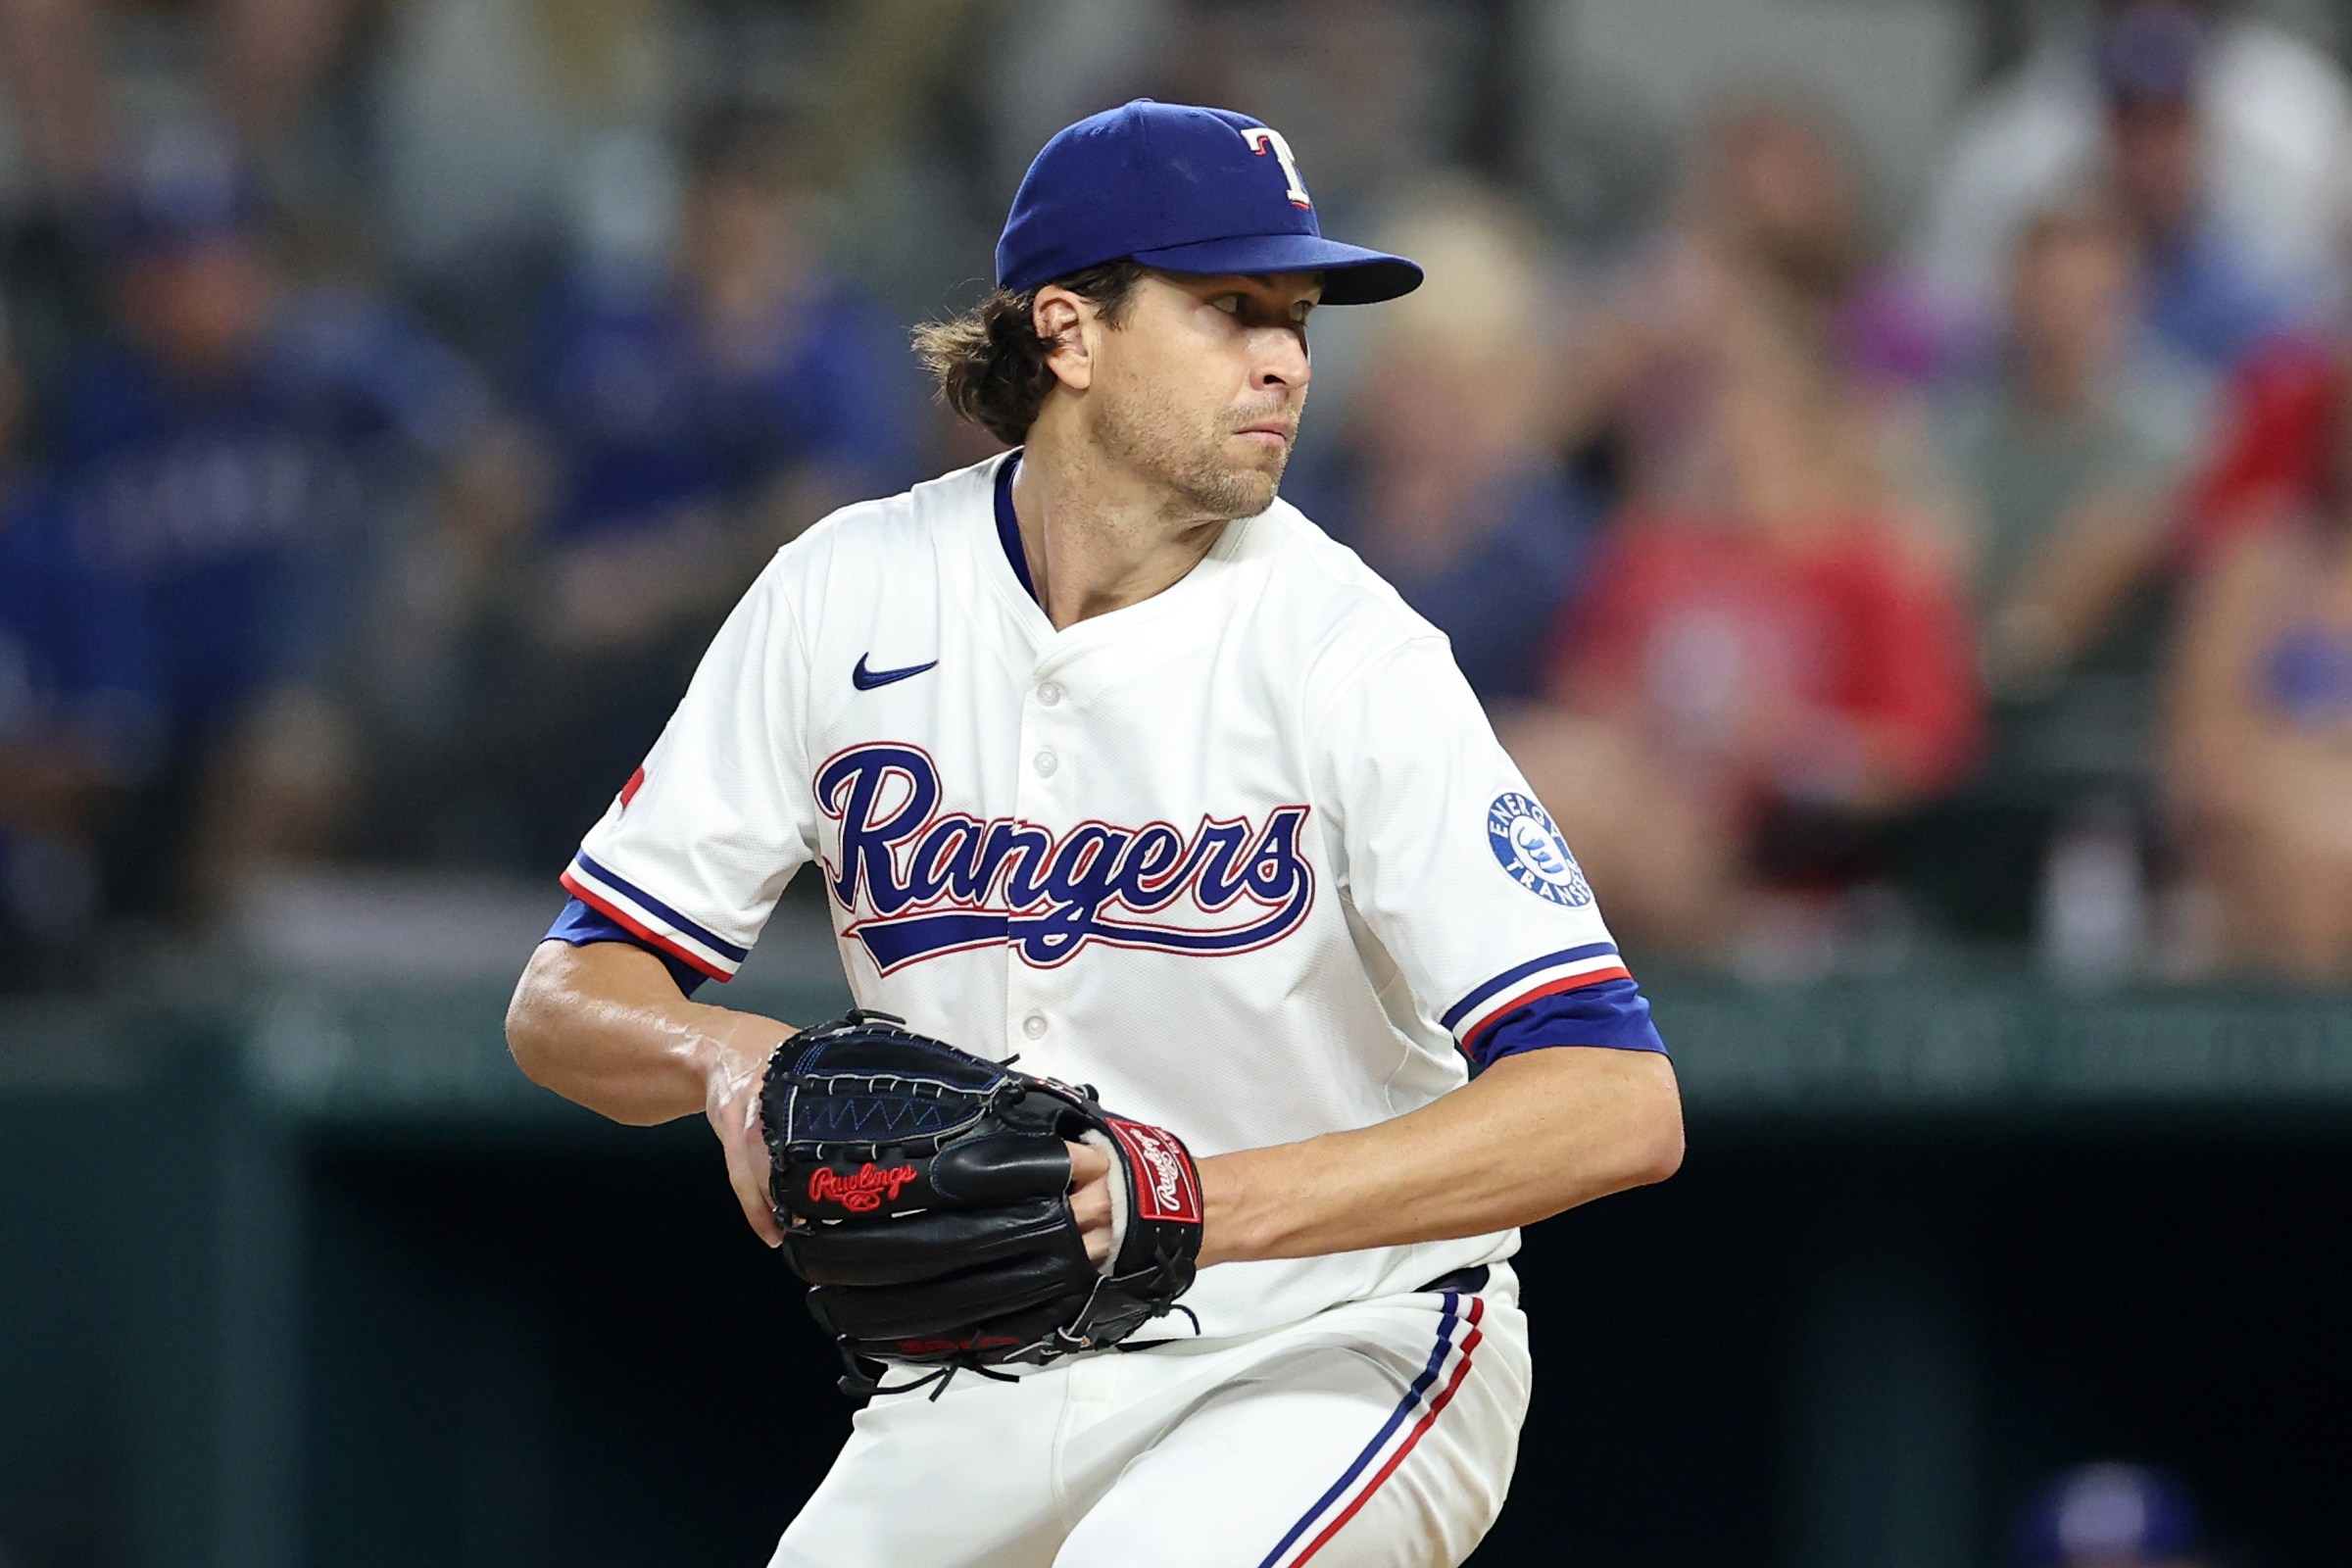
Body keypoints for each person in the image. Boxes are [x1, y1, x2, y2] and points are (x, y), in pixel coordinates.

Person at [505, 99, 1683, 1566]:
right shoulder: (845, 594)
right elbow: (565, 995)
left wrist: (1202, 1203)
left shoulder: (1347, 653)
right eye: (1229, 309)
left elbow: (1616, 1101)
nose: (1285, 361)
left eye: (1299, 317)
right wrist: (725, 1057)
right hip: (977, 1375)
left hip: (1325, 1346)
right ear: (1066, 331)